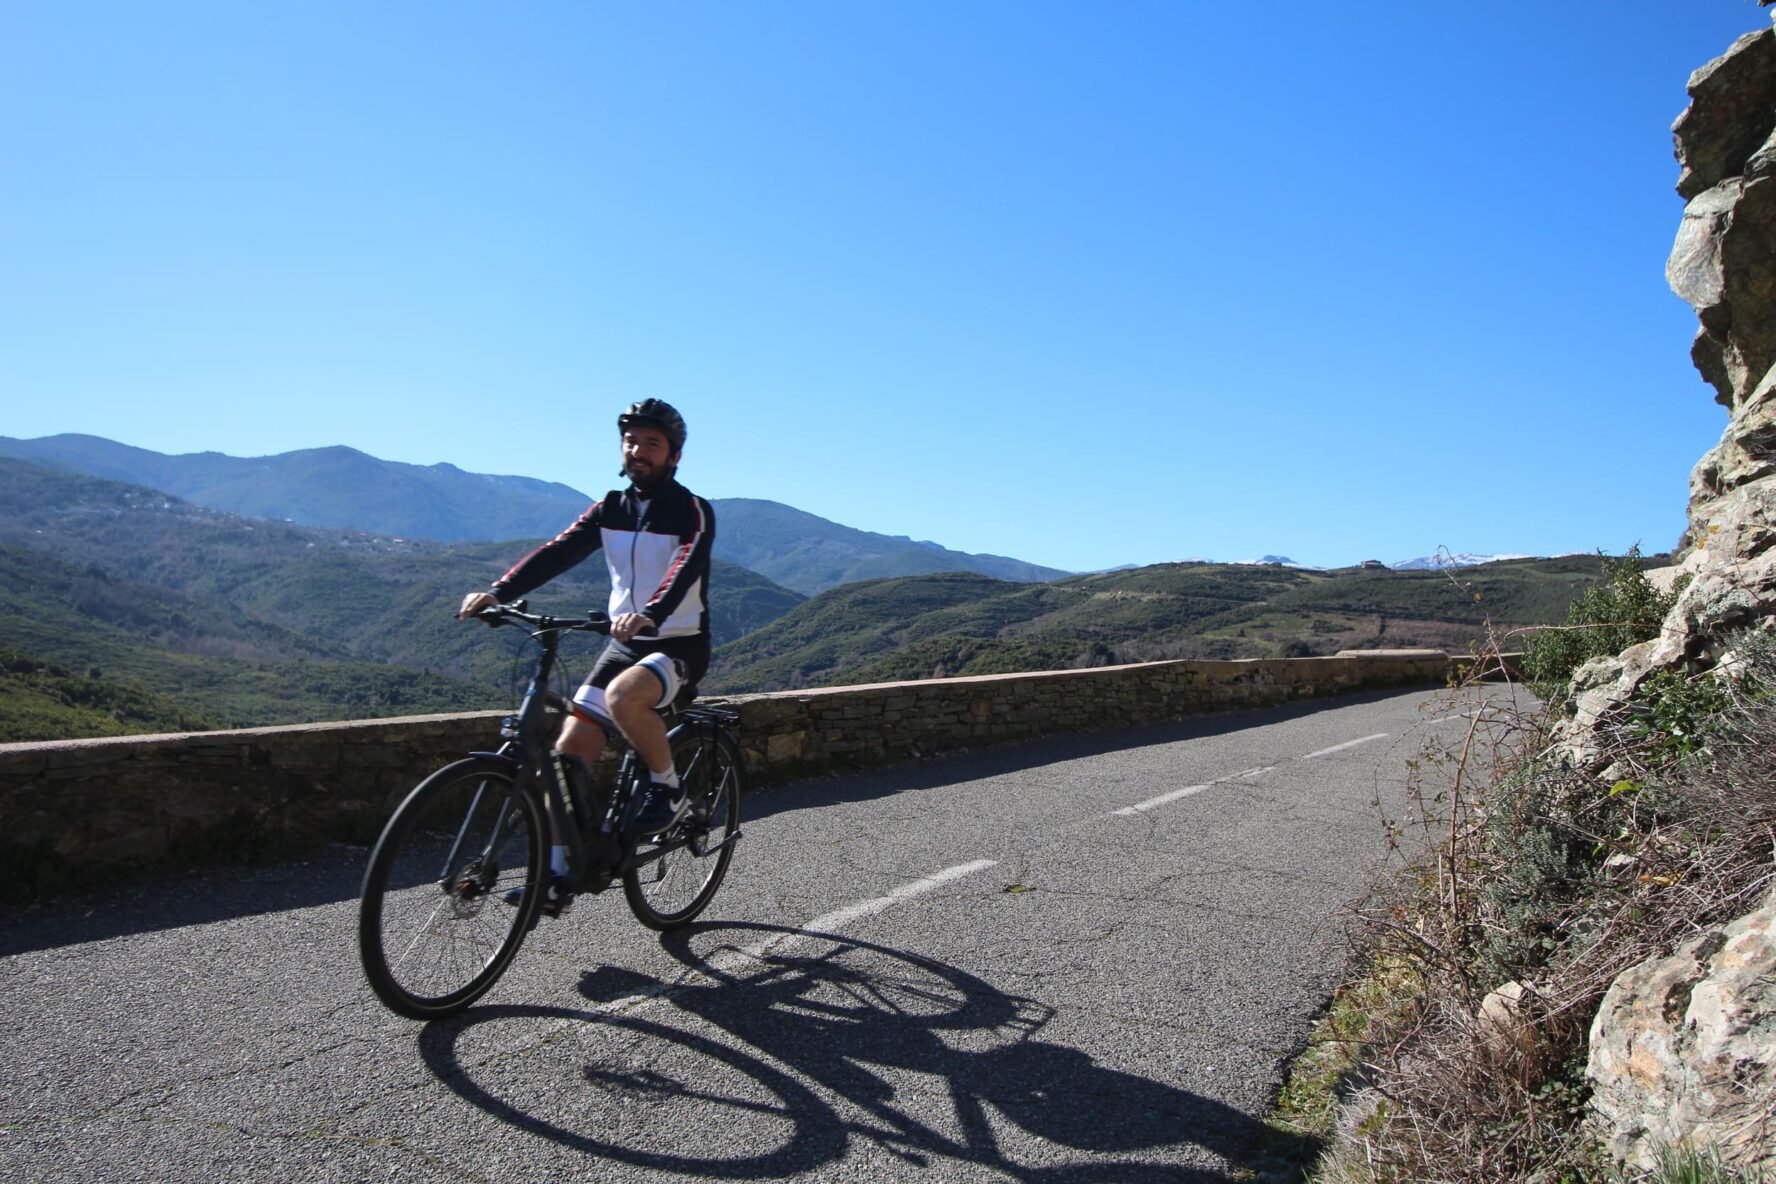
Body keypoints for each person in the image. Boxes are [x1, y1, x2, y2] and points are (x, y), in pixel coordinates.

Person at [457, 398, 714, 918]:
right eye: (631, 441)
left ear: (674, 456)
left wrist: (652, 613)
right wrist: (499, 591)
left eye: (652, 444)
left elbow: (686, 564)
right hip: (623, 643)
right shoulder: (610, 508)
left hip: (677, 642)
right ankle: (555, 875)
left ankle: (669, 788)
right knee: (566, 754)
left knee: (623, 698)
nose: (638, 451)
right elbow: (558, 551)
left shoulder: (692, 510)